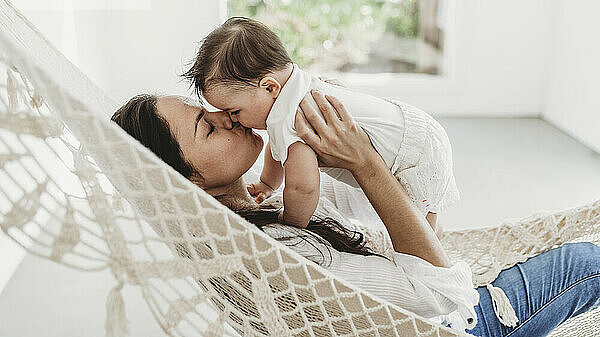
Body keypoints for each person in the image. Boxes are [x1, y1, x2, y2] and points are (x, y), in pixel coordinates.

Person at [111, 91, 600, 336]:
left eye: (209, 107)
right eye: (207, 127)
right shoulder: (277, 250)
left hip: (423, 290)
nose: (224, 115)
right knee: (588, 259)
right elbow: (441, 297)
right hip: (457, 324)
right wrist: (363, 160)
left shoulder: (254, 211)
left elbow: (360, 210)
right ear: (188, 181)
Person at [181, 17, 457, 235]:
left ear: (268, 87)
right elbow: (278, 151)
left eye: (234, 111)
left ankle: (431, 246)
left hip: (413, 153)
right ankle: (434, 226)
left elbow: (304, 187)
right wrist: (267, 182)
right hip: (413, 125)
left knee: (415, 222)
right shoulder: (297, 88)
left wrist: (290, 221)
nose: (231, 119)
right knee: (424, 211)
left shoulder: (293, 118)